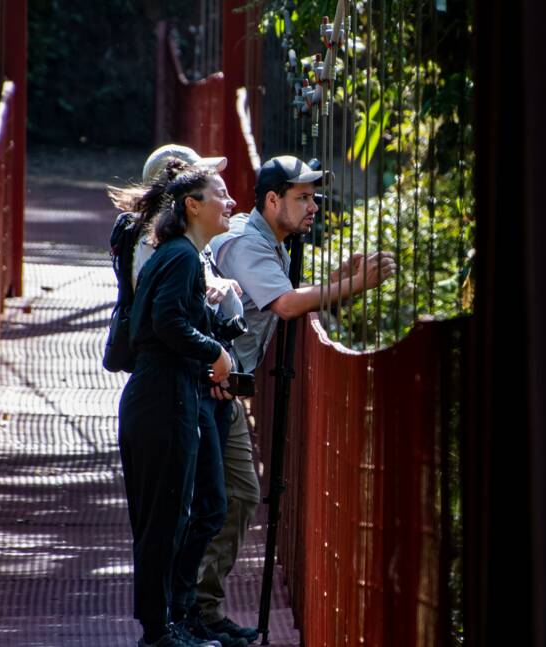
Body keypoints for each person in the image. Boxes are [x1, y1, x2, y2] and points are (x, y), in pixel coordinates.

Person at [195, 155, 395, 639]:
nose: (313, 207)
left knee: (232, 496)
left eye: (313, 197)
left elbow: (279, 292)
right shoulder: (248, 244)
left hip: (221, 385)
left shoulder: (266, 241)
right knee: (226, 497)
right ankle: (191, 611)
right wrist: (352, 286)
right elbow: (284, 304)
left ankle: (199, 610)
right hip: (206, 385)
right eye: (302, 197)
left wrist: (337, 281)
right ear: (272, 200)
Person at [117, 161, 236, 647]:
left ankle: (165, 625)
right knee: (163, 521)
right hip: (164, 398)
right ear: (193, 205)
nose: (230, 203)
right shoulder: (183, 256)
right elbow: (167, 322)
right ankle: (158, 632)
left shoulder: (177, 253)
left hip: (161, 394)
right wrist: (215, 352)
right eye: (220, 194)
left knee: (167, 519)